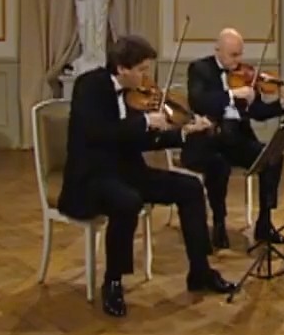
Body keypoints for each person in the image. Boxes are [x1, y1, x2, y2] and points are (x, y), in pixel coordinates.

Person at [58, 35, 236, 317]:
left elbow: (140, 140)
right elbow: (97, 134)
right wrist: (143, 121)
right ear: (121, 68)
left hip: (127, 171)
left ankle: (200, 270)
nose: (146, 77)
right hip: (92, 176)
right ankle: (113, 281)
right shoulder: (89, 86)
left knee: (190, 187)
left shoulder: (135, 95)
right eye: (141, 69)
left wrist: (182, 133)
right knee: (127, 201)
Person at [182, 28, 284, 249]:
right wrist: (231, 95)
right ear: (218, 50)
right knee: (219, 165)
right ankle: (219, 222)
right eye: (233, 55)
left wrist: (282, 102)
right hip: (207, 140)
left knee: (272, 156)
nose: (238, 60)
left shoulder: (245, 76)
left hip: (236, 140)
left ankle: (264, 222)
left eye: (240, 54)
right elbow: (198, 101)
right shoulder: (200, 69)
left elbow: (258, 112)